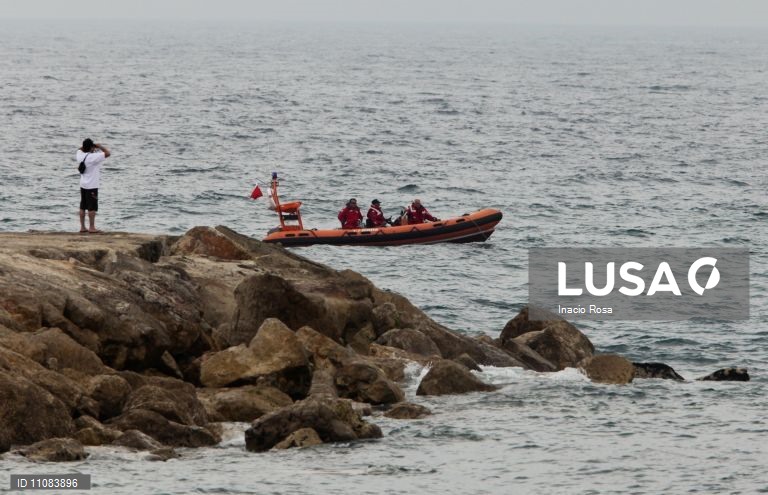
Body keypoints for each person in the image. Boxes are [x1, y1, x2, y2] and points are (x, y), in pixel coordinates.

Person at [76, 138, 110, 233]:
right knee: (92, 207)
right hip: (92, 185)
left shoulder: (79, 155)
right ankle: (91, 227)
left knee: (82, 206)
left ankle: (82, 227)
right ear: (91, 147)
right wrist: (99, 146)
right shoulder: (93, 157)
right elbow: (107, 153)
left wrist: (89, 147)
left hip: (83, 184)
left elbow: (80, 149)